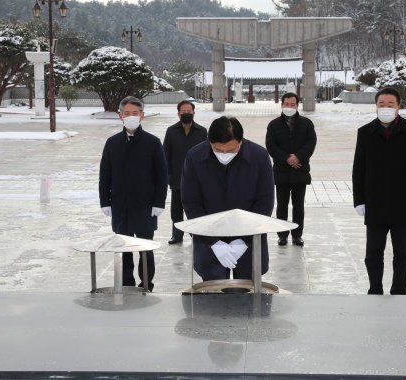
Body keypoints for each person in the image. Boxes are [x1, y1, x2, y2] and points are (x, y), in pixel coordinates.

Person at [352, 87, 406, 295]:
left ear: (398, 107)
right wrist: (359, 199)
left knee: (402, 252)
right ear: (376, 107)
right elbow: (359, 169)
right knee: (373, 253)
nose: (385, 108)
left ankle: (399, 289)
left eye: (390, 104)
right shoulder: (365, 132)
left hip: (403, 202)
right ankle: (375, 287)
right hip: (375, 202)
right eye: (381, 104)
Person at [181, 116, 274, 281]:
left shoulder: (259, 156)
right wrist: (214, 242)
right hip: (208, 238)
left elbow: (264, 202)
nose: (224, 154)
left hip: (251, 238)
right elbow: (191, 203)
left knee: (248, 294)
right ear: (210, 142)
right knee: (213, 294)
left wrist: (244, 241)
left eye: (231, 150)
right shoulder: (195, 157)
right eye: (218, 150)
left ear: (240, 142)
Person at [99, 96, 168, 291]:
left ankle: (146, 283)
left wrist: (159, 202)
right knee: (124, 248)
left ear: (142, 116)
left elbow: (162, 176)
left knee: (145, 248)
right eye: (127, 113)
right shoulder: (112, 143)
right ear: (120, 116)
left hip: (145, 206)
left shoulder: (153, 143)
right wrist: (105, 201)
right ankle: (126, 284)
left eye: (135, 113)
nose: (131, 117)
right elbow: (105, 175)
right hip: (120, 205)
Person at [265, 92, 317, 247]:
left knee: (298, 206)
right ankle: (282, 235)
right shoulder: (273, 125)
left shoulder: (307, 124)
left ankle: (297, 235)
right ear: (281, 105)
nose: (289, 107)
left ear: (297, 105)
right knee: (281, 205)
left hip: (300, 170)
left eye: (292, 104)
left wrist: (298, 157)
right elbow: (271, 146)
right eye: (286, 104)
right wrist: (287, 158)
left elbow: (311, 142)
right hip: (281, 171)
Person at [163, 100, 207, 245]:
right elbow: (165, 155)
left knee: (196, 208)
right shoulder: (171, 131)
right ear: (178, 114)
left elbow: (207, 155)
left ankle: (197, 234)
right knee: (176, 209)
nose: (186, 114)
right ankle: (177, 234)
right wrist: (168, 175)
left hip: (197, 178)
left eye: (189, 111)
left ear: (194, 113)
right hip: (177, 177)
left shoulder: (202, 131)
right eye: (183, 112)